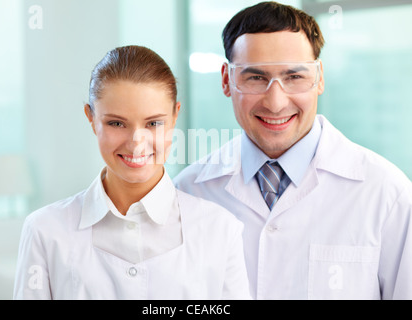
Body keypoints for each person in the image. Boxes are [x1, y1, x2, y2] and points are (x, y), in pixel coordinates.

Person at [174, 1, 412, 300]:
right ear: (227, 79)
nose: (275, 102)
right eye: (256, 77)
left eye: (294, 77)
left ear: (319, 78)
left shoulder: (387, 195)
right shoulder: (188, 193)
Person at [13, 45, 251, 300]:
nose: (136, 142)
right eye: (116, 123)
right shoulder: (45, 230)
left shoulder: (220, 229)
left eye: (153, 123)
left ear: (174, 117)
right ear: (91, 118)